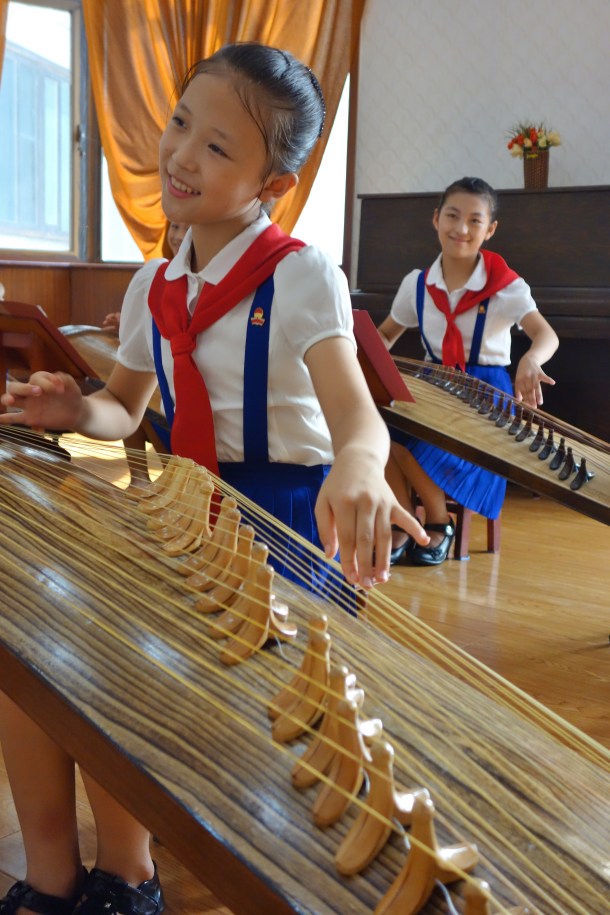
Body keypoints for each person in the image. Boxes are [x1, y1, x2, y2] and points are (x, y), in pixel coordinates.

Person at [0, 43, 428, 915]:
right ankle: (48, 878)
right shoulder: (156, 280)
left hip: (280, 527)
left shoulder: (302, 275)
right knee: (33, 652)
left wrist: (357, 464)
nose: (183, 155)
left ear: (273, 184)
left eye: (220, 147)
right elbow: (125, 408)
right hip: (181, 509)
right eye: (180, 123)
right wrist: (74, 411)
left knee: (111, 672)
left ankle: (127, 875)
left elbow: (357, 416)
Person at [378, 176, 559, 567]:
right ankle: (404, 520)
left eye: (475, 221)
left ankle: (439, 524)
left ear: (490, 230)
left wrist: (531, 359)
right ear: (436, 219)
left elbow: (546, 335)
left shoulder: (507, 287)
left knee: (415, 446)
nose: (461, 229)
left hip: (484, 397)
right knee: (378, 433)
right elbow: (385, 337)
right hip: (429, 387)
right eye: (452, 216)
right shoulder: (417, 284)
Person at [101, 222, 189, 489]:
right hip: (164, 401)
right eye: (174, 226)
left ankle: (170, 480)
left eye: (187, 228)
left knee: (150, 403)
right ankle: (139, 477)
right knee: (131, 395)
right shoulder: (155, 278)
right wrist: (126, 322)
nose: (177, 236)